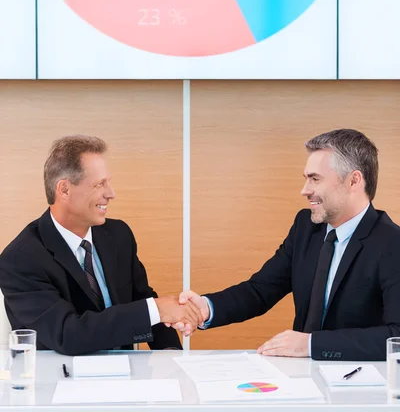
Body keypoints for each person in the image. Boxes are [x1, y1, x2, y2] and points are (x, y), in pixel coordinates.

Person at [178, 129, 400, 361]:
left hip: (360, 386)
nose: (305, 190)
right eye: (306, 179)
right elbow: (260, 290)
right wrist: (207, 307)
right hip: (304, 380)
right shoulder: (306, 227)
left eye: (315, 179)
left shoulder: (392, 244)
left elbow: (397, 336)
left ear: (353, 180)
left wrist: (312, 345)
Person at [0, 135, 202, 355]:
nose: (111, 193)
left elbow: (142, 298)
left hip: (126, 375)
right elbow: (68, 334)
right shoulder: (20, 259)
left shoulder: (118, 235)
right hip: (61, 380)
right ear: (64, 190)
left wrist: (170, 352)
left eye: (109, 182)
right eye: (99, 184)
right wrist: (157, 309)